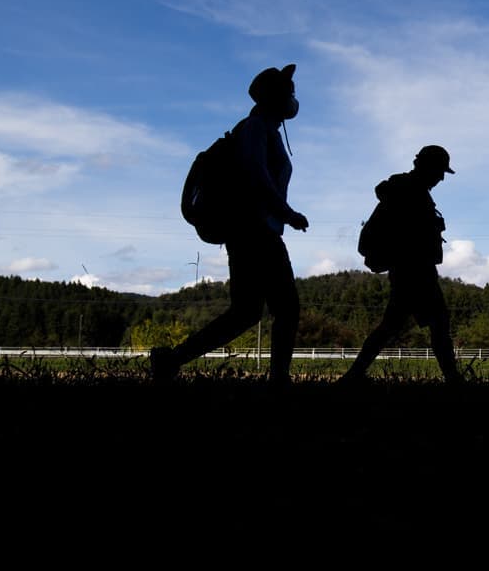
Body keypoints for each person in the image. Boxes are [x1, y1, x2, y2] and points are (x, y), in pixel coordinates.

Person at [153, 65, 308, 384]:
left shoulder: (264, 129)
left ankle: (171, 360)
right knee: (285, 309)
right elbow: (256, 175)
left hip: (252, 231)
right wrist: (287, 213)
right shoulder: (254, 128)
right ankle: (279, 380)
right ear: (275, 97)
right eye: (288, 92)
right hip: (254, 231)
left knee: (246, 312)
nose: (293, 99)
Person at [342, 145, 463, 385]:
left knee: (392, 326)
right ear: (426, 167)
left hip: (409, 269)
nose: (441, 177)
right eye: (439, 171)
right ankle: (454, 380)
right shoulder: (410, 192)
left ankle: (353, 376)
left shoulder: (406, 190)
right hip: (415, 269)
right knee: (438, 323)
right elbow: (410, 234)